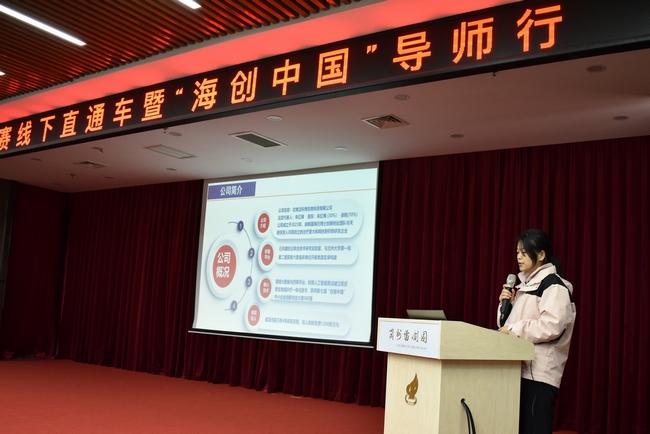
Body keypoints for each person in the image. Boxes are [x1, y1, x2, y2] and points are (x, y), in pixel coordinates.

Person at [497, 229, 576, 434]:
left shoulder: (554, 286)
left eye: (524, 253)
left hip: (538, 374)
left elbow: (551, 326)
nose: (519, 257)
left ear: (541, 255)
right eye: (517, 252)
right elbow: (506, 326)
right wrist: (505, 304)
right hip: (518, 370)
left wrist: (512, 329)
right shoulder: (524, 287)